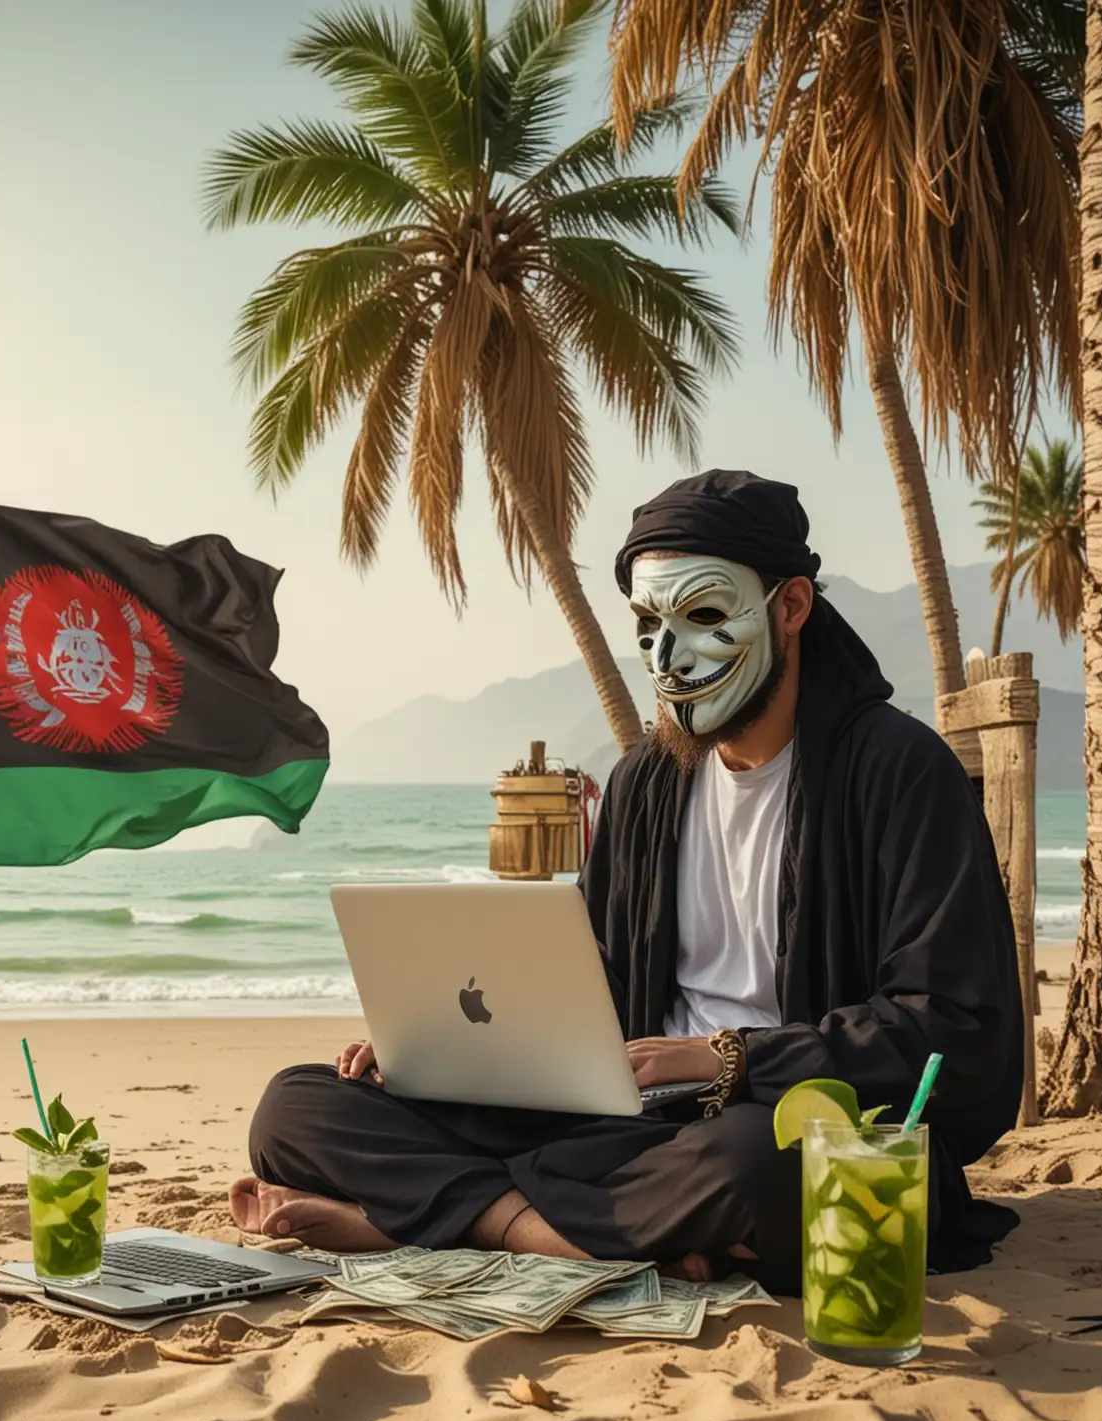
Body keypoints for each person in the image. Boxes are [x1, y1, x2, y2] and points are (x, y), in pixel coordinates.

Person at [230, 471, 1023, 1292]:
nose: (668, 657)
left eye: (706, 616)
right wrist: (435, 1054)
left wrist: (728, 1061)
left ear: (790, 608)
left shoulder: (899, 772)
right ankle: (542, 1234)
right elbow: (590, 986)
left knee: (762, 1163)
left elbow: (955, 1030)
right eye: (649, 625)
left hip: (767, 1127)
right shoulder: (646, 783)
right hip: (625, 1129)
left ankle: (421, 1225)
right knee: (295, 1107)